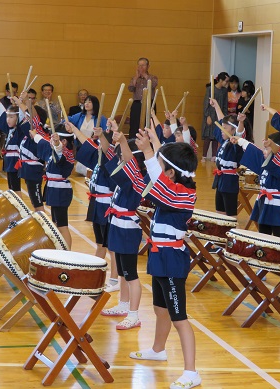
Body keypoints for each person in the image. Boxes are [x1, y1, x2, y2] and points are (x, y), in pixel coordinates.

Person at [131, 130, 201, 389]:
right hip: (160, 256)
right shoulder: (170, 190)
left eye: (160, 168)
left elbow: (161, 189)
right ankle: (158, 349)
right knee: (160, 309)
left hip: (172, 260)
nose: (157, 174)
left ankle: (192, 372)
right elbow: (151, 186)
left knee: (179, 317)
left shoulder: (183, 195)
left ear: (170, 173)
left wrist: (149, 152)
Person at [101, 122, 146, 330]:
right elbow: (111, 155)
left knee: (131, 274)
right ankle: (123, 304)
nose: (120, 159)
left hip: (128, 229)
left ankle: (134, 314)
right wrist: (111, 136)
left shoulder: (138, 180)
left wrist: (122, 141)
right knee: (121, 272)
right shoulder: (125, 178)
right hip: (117, 225)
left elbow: (130, 161)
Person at [65, 121, 119, 292]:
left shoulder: (111, 158)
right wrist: (73, 129)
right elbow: (86, 142)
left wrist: (103, 135)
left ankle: (115, 279)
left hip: (106, 206)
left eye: (100, 143)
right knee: (100, 244)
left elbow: (106, 148)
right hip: (96, 204)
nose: (96, 146)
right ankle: (96, 274)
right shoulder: (98, 157)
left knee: (111, 246)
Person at [231, 132, 280, 238]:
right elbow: (256, 152)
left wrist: (272, 145)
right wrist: (241, 141)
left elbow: (278, 153)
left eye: (267, 149)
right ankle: (263, 252)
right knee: (263, 231)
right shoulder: (267, 160)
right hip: (263, 199)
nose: (264, 151)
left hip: (275, 203)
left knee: (278, 233)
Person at [31, 123, 75, 247]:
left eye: (56, 139)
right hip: (54, 189)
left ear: (64, 141)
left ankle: (67, 254)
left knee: (62, 225)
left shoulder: (66, 153)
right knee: (56, 223)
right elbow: (41, 141)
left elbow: (59, 150)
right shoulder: (55, 150)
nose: (52, 141)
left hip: (61, 191)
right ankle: (60, 249)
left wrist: (57, 144)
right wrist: (35, 134)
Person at [209, 98, 245, 217]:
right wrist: (216, 106)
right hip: (220, 180)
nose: (222, 130)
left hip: (229, 182)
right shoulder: (224, 140)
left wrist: (240, 122)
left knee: (230, 215)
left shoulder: (237, 143)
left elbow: (239, 133)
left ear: (233, 129)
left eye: (225, 128)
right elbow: (221, 120)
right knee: (219, 212)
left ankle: (232, 233)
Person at [0, 97, 23, 195]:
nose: (8, 120)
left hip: (15, 161)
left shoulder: (20, 130)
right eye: (7, 117)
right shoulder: (10, 130)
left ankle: (19, 207)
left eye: (11, 117)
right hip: (9, 161)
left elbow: (23, 115)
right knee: (11, 186)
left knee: (15, 187)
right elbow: (2, 115)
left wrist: (20, 102)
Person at [128, 57, 158, 140]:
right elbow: (130, 88)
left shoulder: (153, 77)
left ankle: (149, 143)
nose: (140, 67)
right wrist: (136, 77)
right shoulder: (135, 78)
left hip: (149, 104)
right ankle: (133, 143)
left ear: (148, 66)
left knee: (148, 124)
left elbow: (153, 85)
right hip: (137, 104)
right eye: (139, 65)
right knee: (134, 124)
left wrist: (145, 75)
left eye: (143, 65)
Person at [201, 72, 229, 162]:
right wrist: (207, 115)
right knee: (208, 136)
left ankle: (214, 155)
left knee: (216, 136)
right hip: (210, 115)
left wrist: (224, 116)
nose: (226, 83)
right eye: (226, 81)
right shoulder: (210, 89)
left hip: (219, 115)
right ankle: (204, 156)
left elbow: (225, 105)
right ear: (220, 80)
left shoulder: (224, 91)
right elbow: (205, 103)